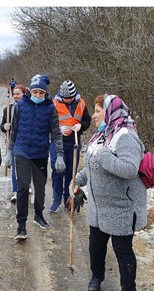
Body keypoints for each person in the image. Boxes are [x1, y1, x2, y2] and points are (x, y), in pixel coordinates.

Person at [73, 94, 147, 291]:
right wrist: (79, 180)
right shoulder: (101, 135)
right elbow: (93, 167)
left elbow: (129, 169)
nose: (94, 116)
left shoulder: (126, 137)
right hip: (98, 204)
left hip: (120, 206)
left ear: (111, 112)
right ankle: (97, 276)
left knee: (122, 250)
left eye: (97, 110)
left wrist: (105, 155)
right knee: (95, 245)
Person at [7, 73, 64, 239]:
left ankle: (38, 215)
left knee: (40, 189)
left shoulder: (50, 108)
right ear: (30, 92)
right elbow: (14, 130)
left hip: (40, 153)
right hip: (22, 152)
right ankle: (21, 225)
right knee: (23, 188)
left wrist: (59, 155)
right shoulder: (20, 106)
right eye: (35, 92)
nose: (38, 95)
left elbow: (56, 133)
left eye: (41, 93)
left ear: (45, 93)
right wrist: (9, 151)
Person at [49, 80, 92, 212]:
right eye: (65, 98)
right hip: (58, 142)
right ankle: (56, 199)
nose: (67, 100)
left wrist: (81, 126)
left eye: (70, 98)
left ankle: (68, 198)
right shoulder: (53, 104)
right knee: (57, 170)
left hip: (74, 142)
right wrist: (58, 128)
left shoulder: (81, 104)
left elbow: (87, 120)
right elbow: (47, 122)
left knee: (71, 172)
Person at [1, 83, 28, 204]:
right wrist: (4, 126)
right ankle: (16, 191)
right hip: (13, 140)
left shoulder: (29, 107)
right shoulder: (8, 109)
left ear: (24, 94)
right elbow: (2, 126)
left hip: (26, 141)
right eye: (14, 94)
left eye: (18, 94)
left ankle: (26, 186)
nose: (16, 96)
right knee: (15, 167)